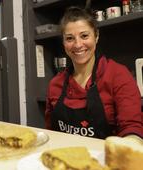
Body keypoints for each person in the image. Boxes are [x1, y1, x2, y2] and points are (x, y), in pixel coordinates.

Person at [45, 6, 143, 140]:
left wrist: (130, 144)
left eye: (84, 36)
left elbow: (132, 127)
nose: (78, 44)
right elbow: (50, 132)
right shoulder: (55, 84)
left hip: (106, 159)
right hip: (64, 158)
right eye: (69, 38)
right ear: (63, 42)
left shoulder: (117, 75)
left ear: (96, 36)